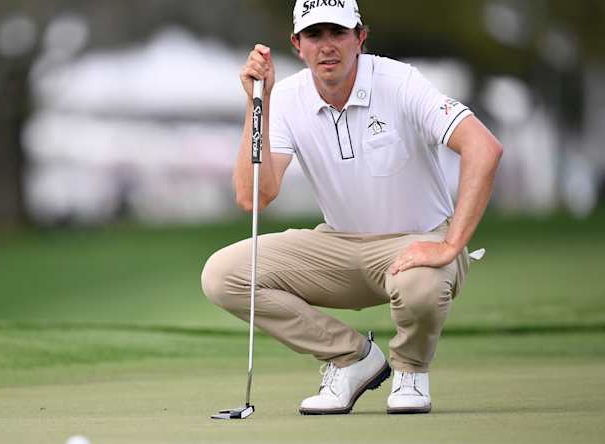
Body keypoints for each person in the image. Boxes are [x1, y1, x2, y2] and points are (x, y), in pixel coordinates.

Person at [201, 0, 502, 415]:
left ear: (360, 37)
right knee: (224, 275)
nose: (327, 46)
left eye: (338, 33)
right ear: (297, 44)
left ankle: (411, 369)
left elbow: (483, 148)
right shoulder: (285, 96)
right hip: (340, 245)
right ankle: (352, 359)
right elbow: (254, 197)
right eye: (314, 35)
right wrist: (258, 104)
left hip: (417, 244)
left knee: (420, 283)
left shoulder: (400, 82)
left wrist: (450, 245)